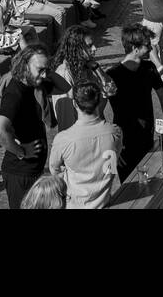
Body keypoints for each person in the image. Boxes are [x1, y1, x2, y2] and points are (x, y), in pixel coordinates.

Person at [107, 25, 163, 179]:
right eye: (147, 45)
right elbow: (99, 112)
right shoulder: (112, 75)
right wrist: (111, 143)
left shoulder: (149, 68)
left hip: (146, 135)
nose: (151, 48)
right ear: (135, 48)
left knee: (149, 180)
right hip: (124, 140)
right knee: (129, 183)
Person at [0, 44, 53, 209]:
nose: (45, 74)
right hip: (20, 172)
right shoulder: (15, 93)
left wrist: (42, 67)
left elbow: (65, 87)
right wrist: (22, 152)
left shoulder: (31, 84)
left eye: (47, 69)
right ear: (25, 65)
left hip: (31, 170)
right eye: (40, 69)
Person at [48, 81, 123, 209]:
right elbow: (112, 163)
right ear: (99, 102)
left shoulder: (63, 139)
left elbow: (54, 170)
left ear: (74, 104)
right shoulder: (115, 132)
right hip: (104, 202)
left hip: (75, 204)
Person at [51, 24, 114, 130]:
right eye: (89, 46)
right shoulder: (64, 74)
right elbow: (65, 121)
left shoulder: (86, 66)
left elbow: (105, 94)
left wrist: (97, 68)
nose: (95, 48)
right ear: (76, 48)